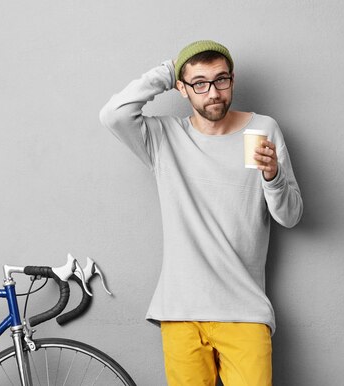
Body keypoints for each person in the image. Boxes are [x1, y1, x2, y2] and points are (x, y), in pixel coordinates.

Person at [99, 40, 303, 386]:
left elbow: (290, 216)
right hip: (180, 312)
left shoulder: (261, 131)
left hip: (244, 310)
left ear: (232, 80)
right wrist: (169, 69)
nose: (213, 93)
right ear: (182, 88)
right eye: (200, 83)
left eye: (221, 80)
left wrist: (273, 176)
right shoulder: (165, 138)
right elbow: (113, 115)